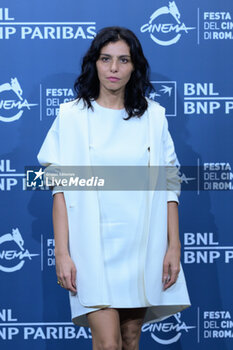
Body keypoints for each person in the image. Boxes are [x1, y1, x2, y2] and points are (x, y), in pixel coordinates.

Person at [37, 26, 190, 350]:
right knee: (107, 343)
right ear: (94, 63)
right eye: (106, 59)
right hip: (91, 247)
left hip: (142, 246)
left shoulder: (154, 117)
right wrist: (62, 252)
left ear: (134, 66)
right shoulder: (71, 116)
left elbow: (169, 183)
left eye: (123, 60)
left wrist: (173, 245)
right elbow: (59, 190)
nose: (114, 68)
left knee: (130, 339)